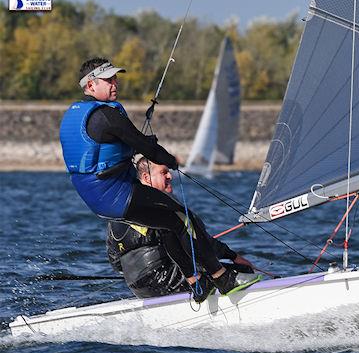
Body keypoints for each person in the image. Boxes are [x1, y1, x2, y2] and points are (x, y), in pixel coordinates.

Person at [60, 57, 239, 302]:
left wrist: (148, 147)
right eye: (108, 80)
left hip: (98, 196)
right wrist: (170, 160)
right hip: (116, 193)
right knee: (184, 219)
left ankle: (196, 283)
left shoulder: (78, 115)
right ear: (90, 85)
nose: (115, 84)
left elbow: (118, 147)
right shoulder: (106, 116)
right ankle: (222, 278)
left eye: (115, 79)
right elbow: (143, 145)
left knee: (169, 224)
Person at [107, 157, 256, 298]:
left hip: (137, 288)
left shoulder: (117, 212)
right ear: (146, 178)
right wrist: (234, 256)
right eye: (163, 172)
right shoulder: (162, 203)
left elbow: (115, 263)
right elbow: (200, 242)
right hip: (167, 279)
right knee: (243, 272)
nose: (170, 176)